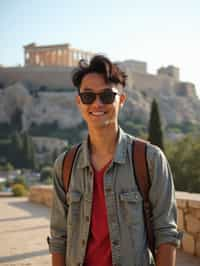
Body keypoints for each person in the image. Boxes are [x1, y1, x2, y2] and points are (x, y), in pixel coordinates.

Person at [48, 55, 182, 266]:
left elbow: (166, 233)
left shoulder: (150, 160)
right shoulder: (64, 166)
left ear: (122, 99)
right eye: (88, 97)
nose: (97, 104)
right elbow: (59, 238)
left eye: (107, 96)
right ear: (79, 102)